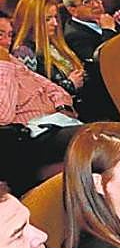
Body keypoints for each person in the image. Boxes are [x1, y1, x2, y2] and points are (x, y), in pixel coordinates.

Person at [0, 14, 82, 194]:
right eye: (0, 35)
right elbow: (3, 116)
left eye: (10, 35)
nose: (6, 42)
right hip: (33, 135)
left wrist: (62, 108)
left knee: (108, 137)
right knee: (98, 139)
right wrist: (3, 66)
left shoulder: (14, 61)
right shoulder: (6, 63)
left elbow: (54, 89)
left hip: (57, 120)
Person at [11, 0, 87, 104]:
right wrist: (69, 85)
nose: (55, 23)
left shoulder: (56, 43)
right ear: (33, 21)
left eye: (55, 17)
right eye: (48, 19)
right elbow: (34, 97)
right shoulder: (24, 53)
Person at [60, 0, 120, 121]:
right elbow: (102, 63)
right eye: (87, 2)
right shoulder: (74, 35)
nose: (96, 4)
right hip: (106, 95)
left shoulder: (105, 20)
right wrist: (108, 31)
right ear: (72, 10)